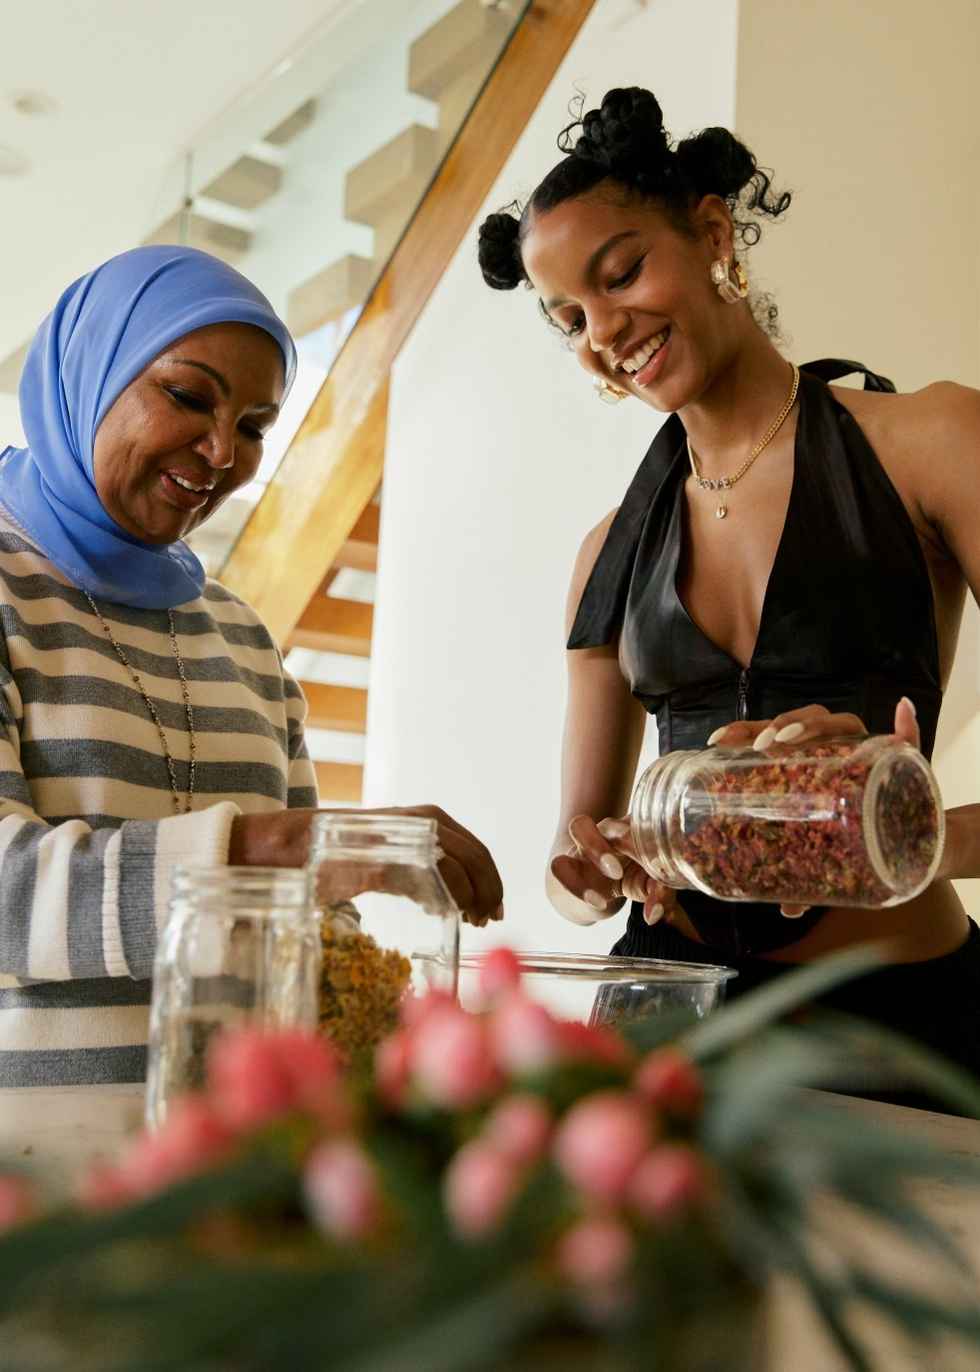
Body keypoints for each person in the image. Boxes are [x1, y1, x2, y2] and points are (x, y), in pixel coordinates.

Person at [478, 86, 980, 1089]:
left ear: (712, 231)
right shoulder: (604, 555)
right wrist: (589, 870)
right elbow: (571, 861)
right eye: (566, 316)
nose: (600, 330)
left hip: (902, 1020)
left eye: (620, 273)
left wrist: (906, 838)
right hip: (669, 1024)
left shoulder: (930, 442)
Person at [0, 244, 502, 1088]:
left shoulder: (238, 635)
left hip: (232, 1171)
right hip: (37, 1189)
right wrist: (277, 845)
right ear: (89, 372)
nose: (221, 452)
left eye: (256, 427)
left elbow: (305, 906)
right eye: (188, 396)